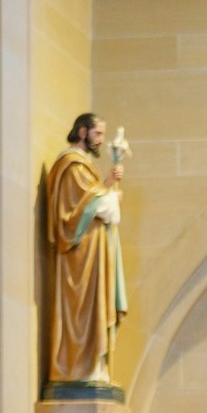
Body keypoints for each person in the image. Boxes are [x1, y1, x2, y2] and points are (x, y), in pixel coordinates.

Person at [46, 113, 127, 387]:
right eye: (97, 134)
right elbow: (76, 211)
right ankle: (79, 367)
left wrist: (108, 188)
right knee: (81, 312)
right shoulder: (72, 165)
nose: (100, 141)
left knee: (94, 308)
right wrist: (108, 191)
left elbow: (95, 201)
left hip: (94, 253)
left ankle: (94, 365)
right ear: (82, 132)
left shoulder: (84, 166)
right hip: (80, 256)